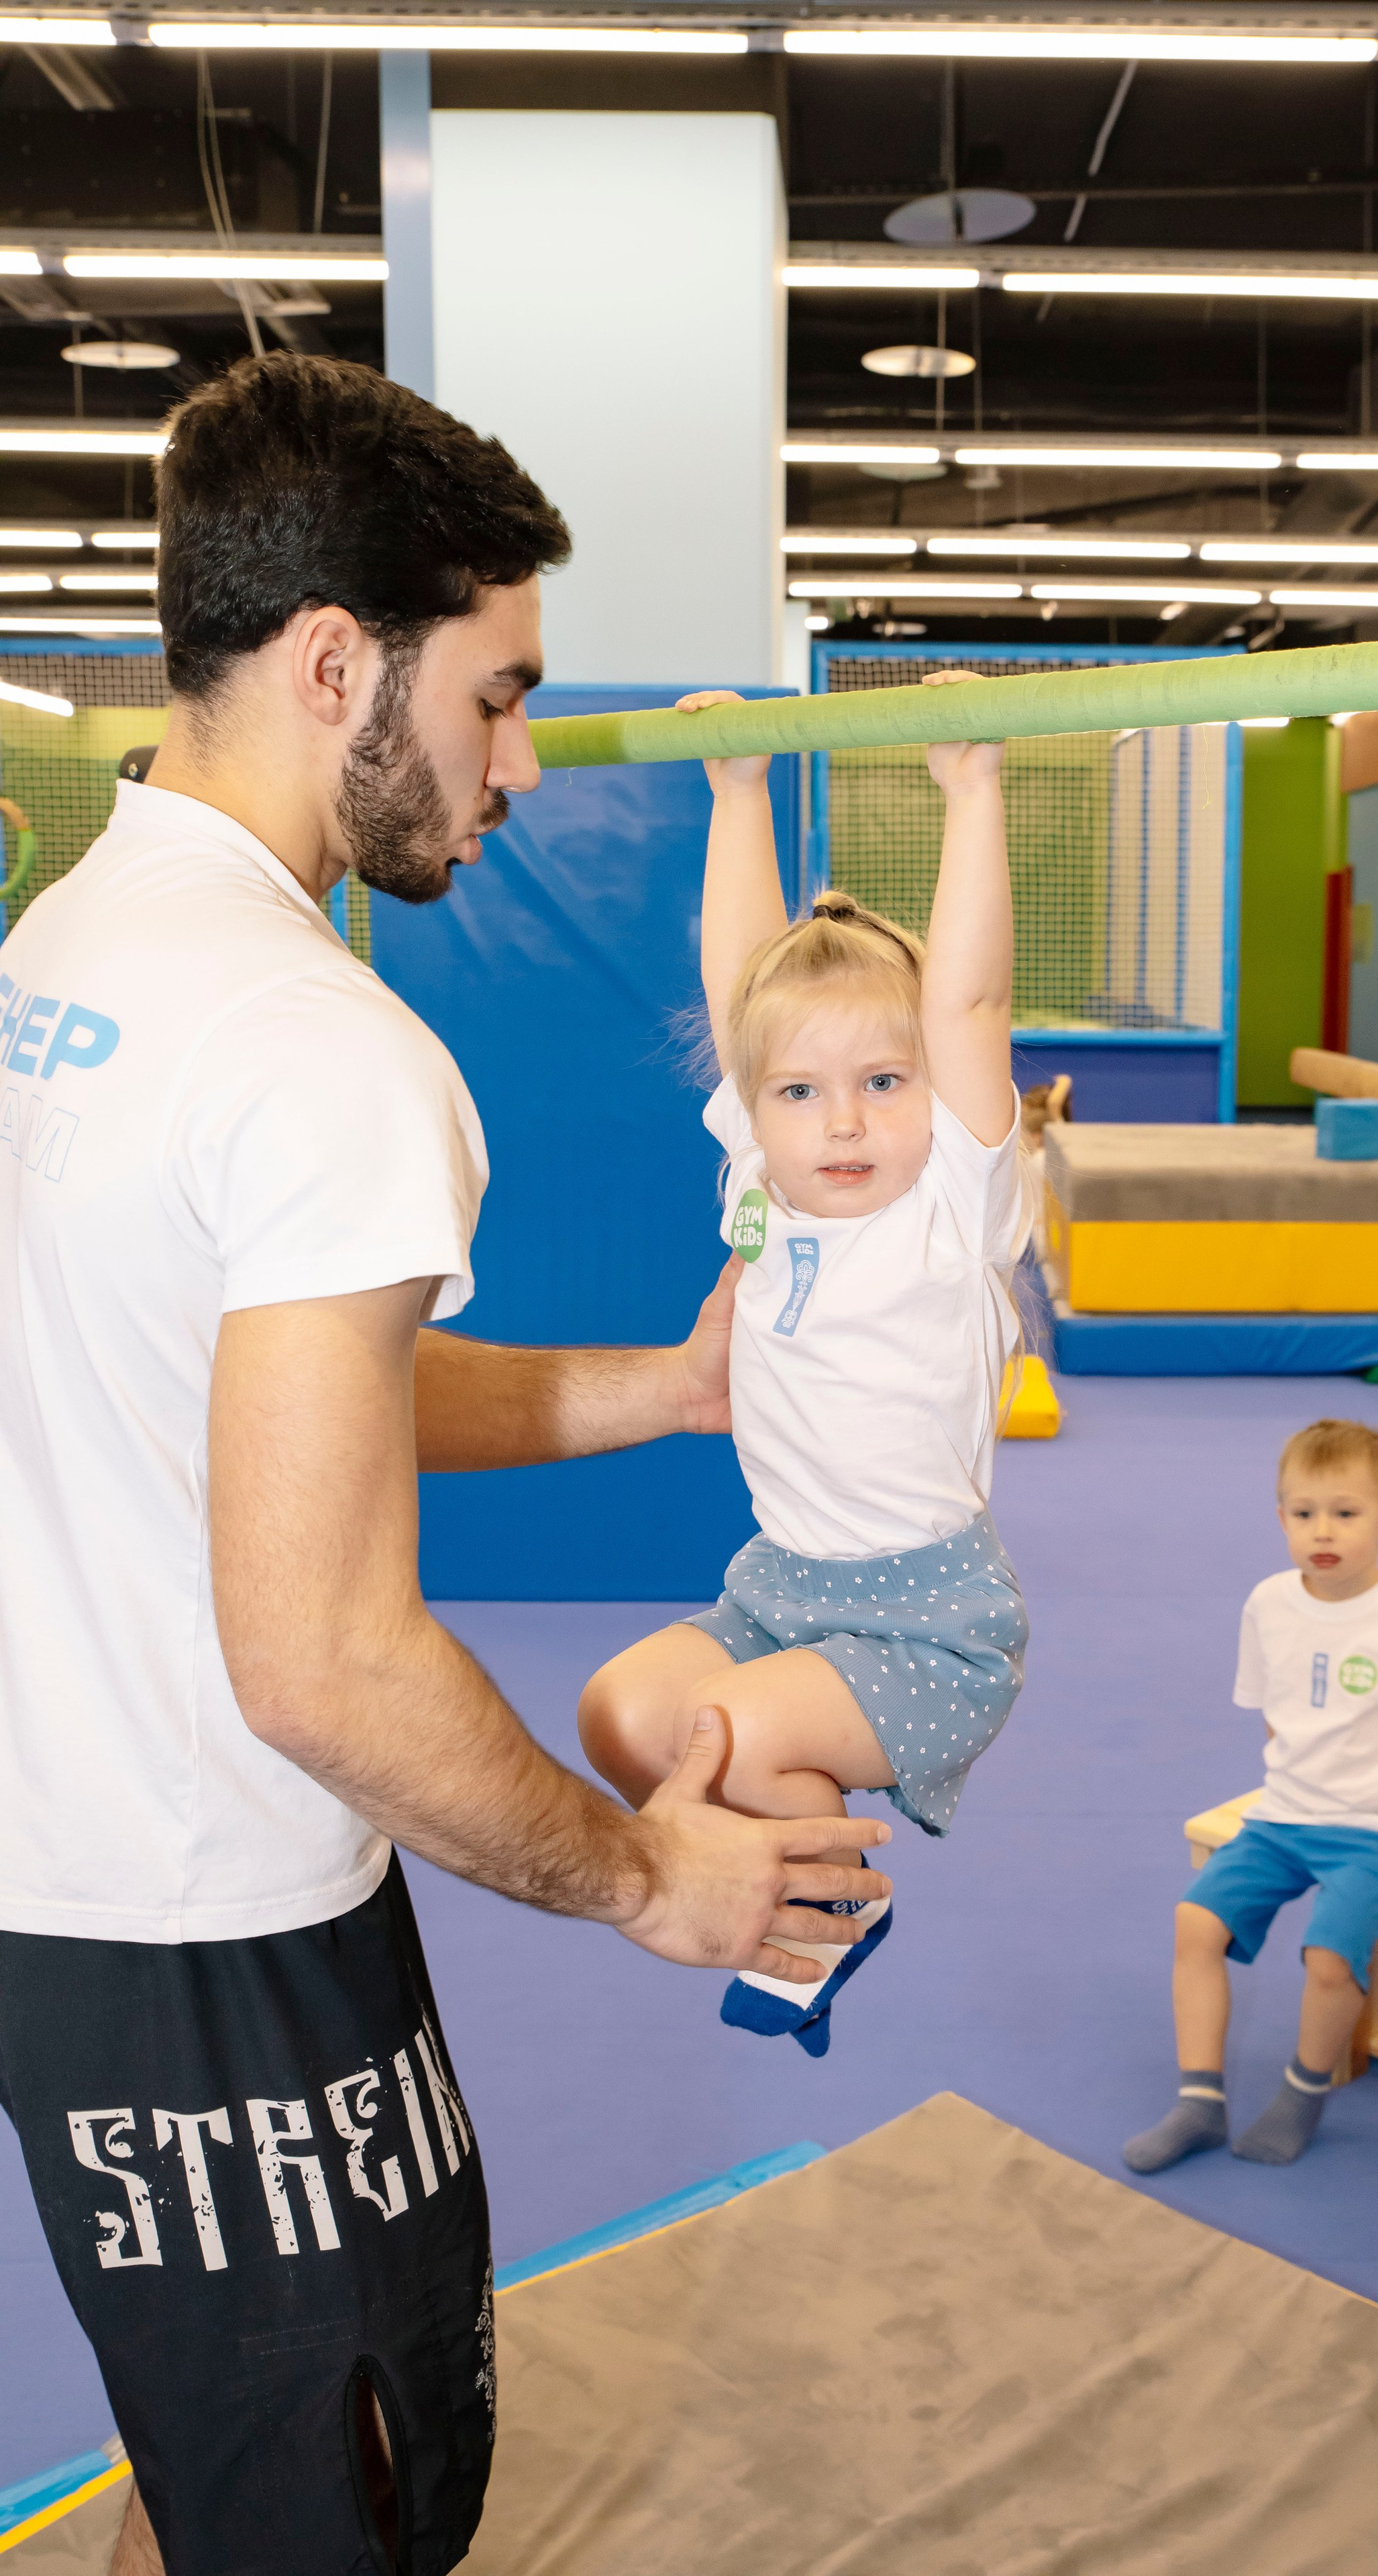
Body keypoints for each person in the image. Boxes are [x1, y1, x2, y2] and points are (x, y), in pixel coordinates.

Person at [0, 354, 888, 2576]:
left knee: (230, 2471)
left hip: (83, 1874)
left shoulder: (77, 950)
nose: (515, 763)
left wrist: (661, 1394)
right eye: (493, 697)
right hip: (210, 1908)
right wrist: (640, 1877)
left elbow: (261, 1394)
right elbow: (320, 1659)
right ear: (335, 665)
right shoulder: (324, 1046)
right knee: (348, 2492)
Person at [578, 678, 1030, 2056]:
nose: (841, 1120)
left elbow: (967, 996)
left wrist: (972, 789)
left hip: (928, 1624)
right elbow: (738, 992)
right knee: (622, 1715)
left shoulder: (950, 1202)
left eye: (883, 1084)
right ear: (755, 1107)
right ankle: (790, 1871)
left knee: (725, 1727)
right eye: (799, 1091)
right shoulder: (758, 1182)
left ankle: (825, 1906)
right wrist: (733, 791)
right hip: (779, 1590)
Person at [1123, 1417, 1378, 2174]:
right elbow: (1273, 1713)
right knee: (1195, 1922)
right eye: (1303, 1513)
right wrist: (1293, 1786)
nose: (1323, 1531)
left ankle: (1302, 2092)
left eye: (1346, 1513)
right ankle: (1199, 2101)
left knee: (1327, 1957)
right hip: (1284, 1815)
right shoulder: (1268, 1603)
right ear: (1282, 1517)